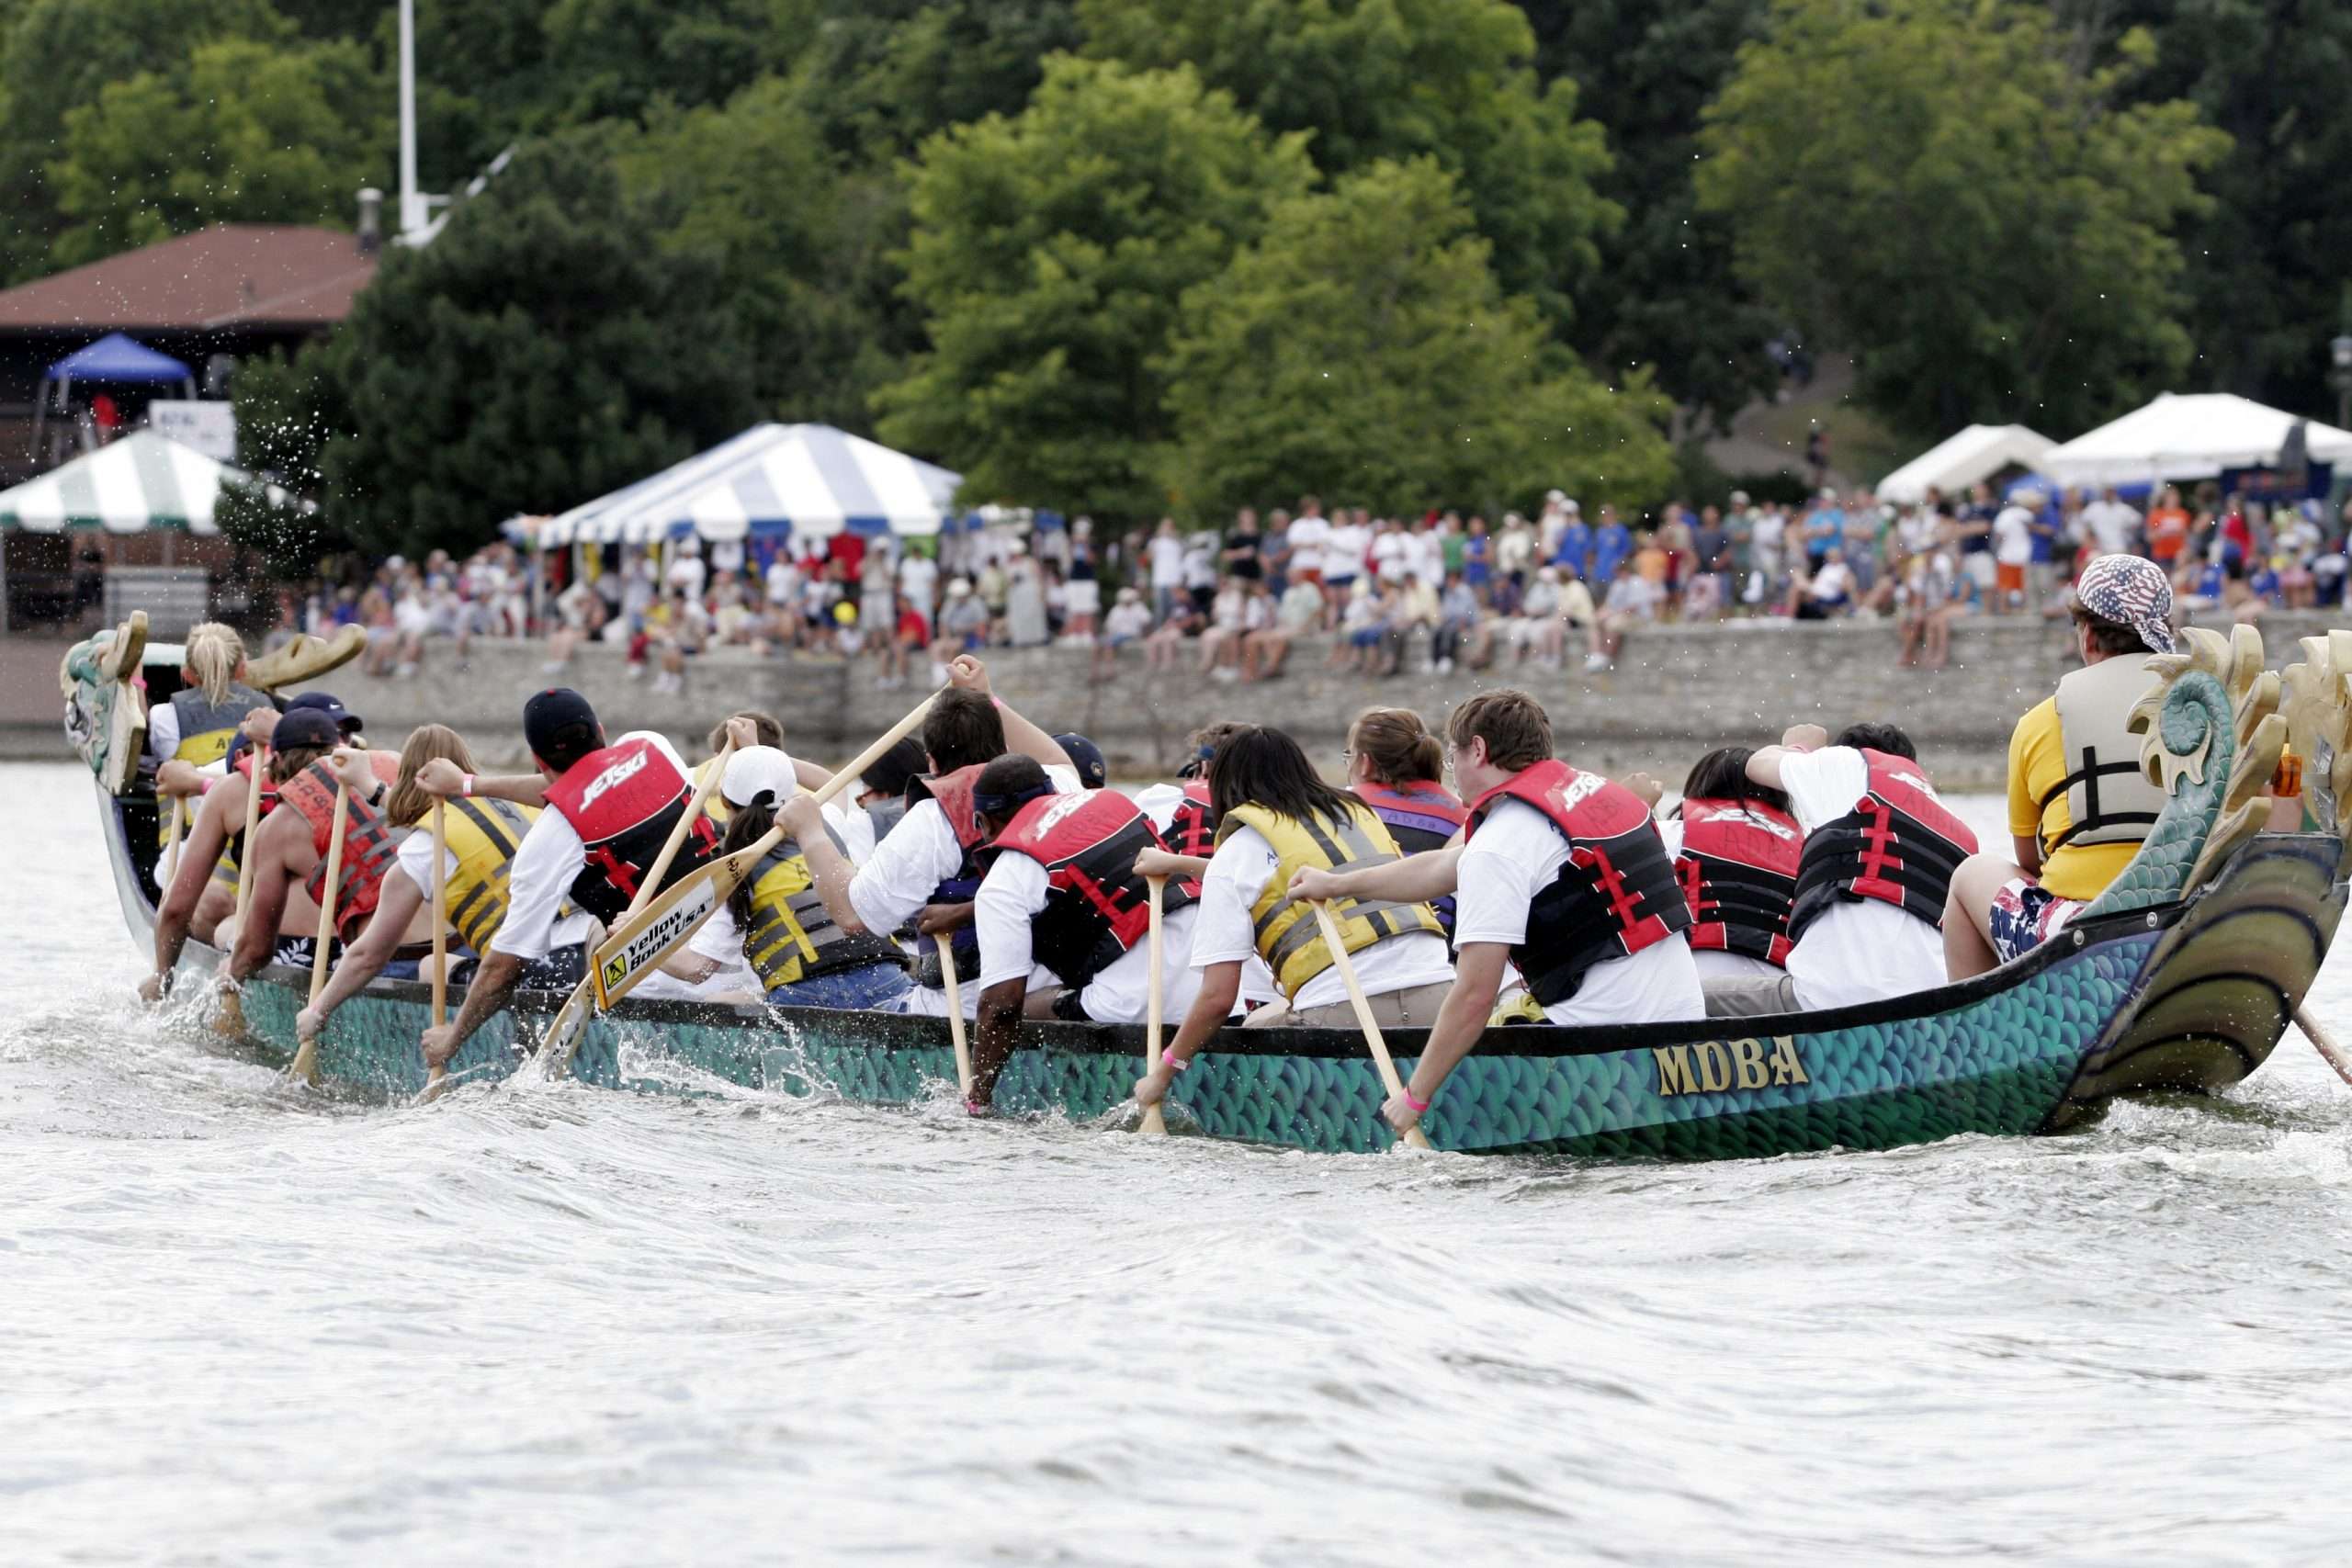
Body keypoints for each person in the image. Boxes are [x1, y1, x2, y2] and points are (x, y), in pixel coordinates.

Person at [1282, 690, 1702, 1140]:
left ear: (1477, 750)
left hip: (1602, 1052)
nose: (1453, 776)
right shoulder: (1595, 794)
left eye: (1453, 759)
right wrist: (1338, 884)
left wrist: (1414, 1098)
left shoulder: (1503, 842)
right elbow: (1447, 865)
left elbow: (1474, 995)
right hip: (1683, 1029)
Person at [1126, 726, 1452, 1115]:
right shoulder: (1355, 814)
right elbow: (1278, 876)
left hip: (1345, 1012)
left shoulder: (1237, 852)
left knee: (1250, 1024)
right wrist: (1179, 864)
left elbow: (1217, 999)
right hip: (1442, 999)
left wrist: (1162, 1073)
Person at [416, 692, 733, 1069]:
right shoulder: (651, 746)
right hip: (735, 943)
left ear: (537, 759)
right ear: (600, 730)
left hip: (667, 979)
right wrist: (468, 784)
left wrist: (452, 1039)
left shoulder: (549, 840)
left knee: (596, 933)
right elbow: (576, 788)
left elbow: (503, 967)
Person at [776, 658, 1074, 1018]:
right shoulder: (1054, 787)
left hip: (966, 1008)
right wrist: (988, 697)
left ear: (931, 763)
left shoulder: (934, 819)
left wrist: (809, 830)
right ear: (1001, 746)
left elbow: (853, 917)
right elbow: (1058, 758)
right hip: (1058, 984)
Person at [295, 725, 602, 1049]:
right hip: (589, 945)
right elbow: (434, 813)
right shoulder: (515, 804)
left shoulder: (422, 849)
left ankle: (497, 1045)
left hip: (538, 973)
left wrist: (318, 1010)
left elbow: (369, 955)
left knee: (432, 964)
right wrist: (367, 783)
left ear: (412, 778)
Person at [1943, 556, 2177, 977]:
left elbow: (2029, 861)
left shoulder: (2038, 724)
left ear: (2087, 637)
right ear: (2163, 632)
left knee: (1969, 875)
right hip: (2187, 922)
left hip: (2079, 938)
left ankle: (1975, 1030)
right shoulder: (2210, 712)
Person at [967, 754, 1204, 1103]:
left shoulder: (1003, 882)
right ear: (1049, 791)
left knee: (1018, 1007)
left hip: (1135, 1006)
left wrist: (978, 1096)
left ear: (982, 822)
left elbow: (1001, 1007)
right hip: (1212, 993)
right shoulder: (1114, 801)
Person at [1730, 720, 1978, 1012]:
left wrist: (1798, 747)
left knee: (1692, 999)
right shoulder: (1964, 834)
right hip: (1926, 1008)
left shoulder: (1851, 762)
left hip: (1829, 1001)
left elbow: (1757, 765)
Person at [663, 747, 911, 1008]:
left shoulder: (730, 869)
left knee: (717, 1001)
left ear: (724, 801)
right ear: (790, 791)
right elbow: (832, 784)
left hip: (803, 995)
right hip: (883, 974)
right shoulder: (823, 823)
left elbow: (696, 968)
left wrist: (635, 941)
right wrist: (769, 757)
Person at [222, 708, 410, 986]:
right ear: (340, 749)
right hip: (442, 946)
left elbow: (256, 950)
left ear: (276, 762)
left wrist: (229, 977)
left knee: (226, 936)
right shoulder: (387, 776)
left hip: (365, 959)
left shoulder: (276, 827)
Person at [1661, 746, 1802, 989]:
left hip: (1693, 981)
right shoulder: (1805, 844)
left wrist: (1643, 805)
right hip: (1776, 987)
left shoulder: (1675, 833)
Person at [1341, 707, 1465, 937]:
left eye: (1350, 756)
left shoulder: (1343, 806)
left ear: (1365, 763)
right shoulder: (1464, 815)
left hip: (1361, 942)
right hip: (1439, 946)